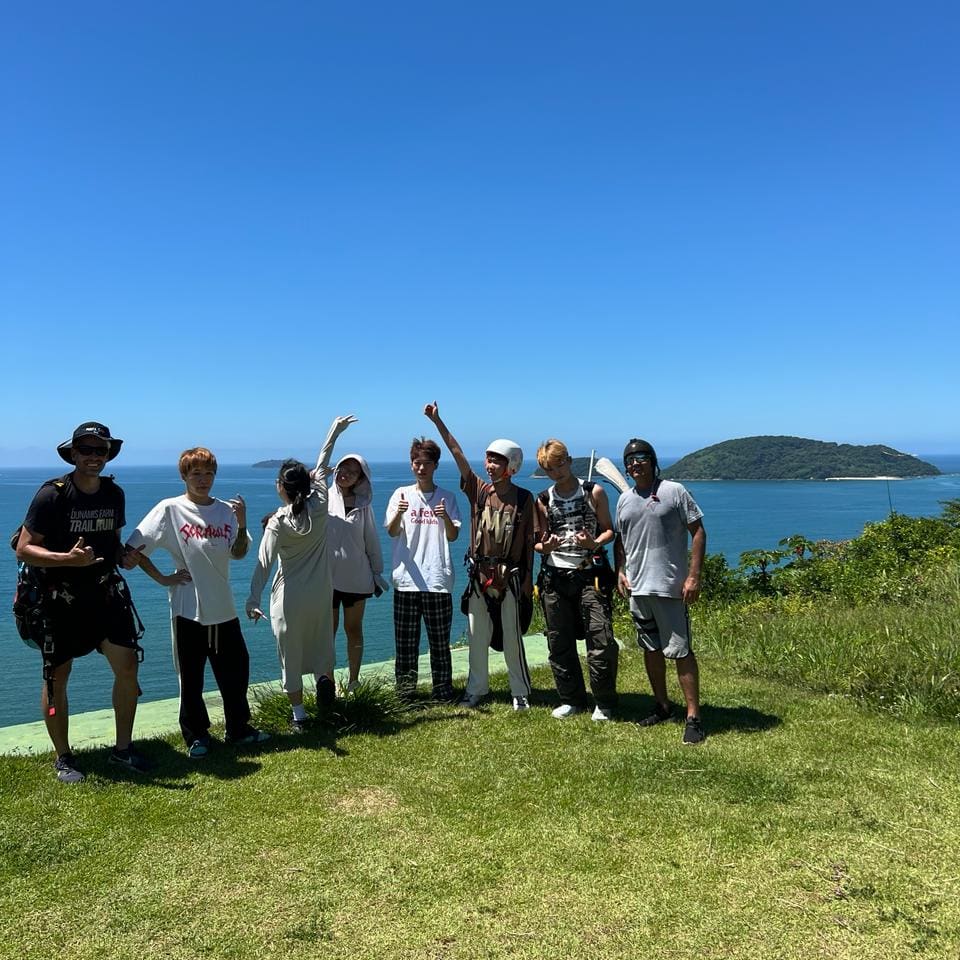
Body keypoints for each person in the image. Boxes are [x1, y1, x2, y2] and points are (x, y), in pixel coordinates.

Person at [14, 422, 149, 782]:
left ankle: (123, 749)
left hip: (106, 595)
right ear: (73, 454)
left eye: (100, 450)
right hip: (60, 601)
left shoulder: (113, 493)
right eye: (86, 450)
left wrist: (126, 556)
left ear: (108, 455)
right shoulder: (52, 495)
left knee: (127, 669)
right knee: (57, 677)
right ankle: (64, 757)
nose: (93, 457)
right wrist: (67, 560)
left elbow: (113, 545)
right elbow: (24, 548)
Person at [123, 447, 268, 757]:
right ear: (184, 476)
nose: (203, 480)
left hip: (223, 607)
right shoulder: (170, 509)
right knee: (190, 677)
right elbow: (132, 551)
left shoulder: (225, 511)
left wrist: (241, 524)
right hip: (188, 608)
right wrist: (163, 578)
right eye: (196, 474)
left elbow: (239, 552)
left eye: (209, 473)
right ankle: (196, 735)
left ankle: (238, 729)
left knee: (236, 672)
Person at [245, 415, 356, 731]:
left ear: (280, 487)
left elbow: (264, 563)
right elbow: (323, 461)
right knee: (322, 645)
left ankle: (299, 716)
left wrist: (252, 598)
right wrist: (335, 430)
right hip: (321, 593)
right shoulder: (320, 503)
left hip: (289, 597)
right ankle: (323, 679)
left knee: (290, 656)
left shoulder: (278, 522)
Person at [423, 402, 534, 711]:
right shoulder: (479, 491)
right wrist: (438, 421)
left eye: (495, 461)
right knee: (476, 636)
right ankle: (476, 689)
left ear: (511, 466)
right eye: (487, 460)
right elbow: (457, 453)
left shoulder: (524, 499)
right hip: (479, 576)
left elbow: (527, 544)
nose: (488, 465)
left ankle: (520, 691)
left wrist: (527, 582)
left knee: (512, 636)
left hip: (508, 576)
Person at [614, 438, 707, 745]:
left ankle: (693, 716)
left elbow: (698, 531)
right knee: (650, 649)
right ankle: (662, 705)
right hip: (638, 588)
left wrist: (693, 576)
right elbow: (620, 540)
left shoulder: (674, 491)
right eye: (630, 460)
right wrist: (620, 572)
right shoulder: (625, 499)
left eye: (641, 458)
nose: (635, 463)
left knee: (680, 651)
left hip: (669, 588)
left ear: (652, 461)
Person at [534, 439, 618, 721]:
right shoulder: (544, 499)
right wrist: (545, 547)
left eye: (559, 465)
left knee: (601, 639)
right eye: (549, 469)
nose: (556, 473)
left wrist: (593, 542)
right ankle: (572, 699)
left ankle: (603, 702)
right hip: (555, 575)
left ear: (569, 460)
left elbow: (609, 531)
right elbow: (539, 540)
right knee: (559, 641)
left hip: (590, 574)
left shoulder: (594, 492)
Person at [385, 436, 462, 700]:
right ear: (411, 465)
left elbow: (452, 536)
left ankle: (443, 691)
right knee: (405, 644)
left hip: (437, 579)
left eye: (426, 463)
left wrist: (444, 517)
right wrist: (399, 512)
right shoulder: (400, 495)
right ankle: (406, 694)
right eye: (417, 463)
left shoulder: (447, 498)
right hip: (406, 580)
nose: (421, 468)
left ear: (435, 465)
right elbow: (392, 531)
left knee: (440, 643)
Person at [327, 451, 387, 692]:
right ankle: (327, 682)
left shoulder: (364, 506)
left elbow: (371, 540)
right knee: (326, 633)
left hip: (357, 579)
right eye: (343, 469)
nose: (345, 475)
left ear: (360, 478)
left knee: (353, 630)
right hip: (327, 579)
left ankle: (354, 681)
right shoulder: (324, 499)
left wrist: (377, 572)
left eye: (352, 472)